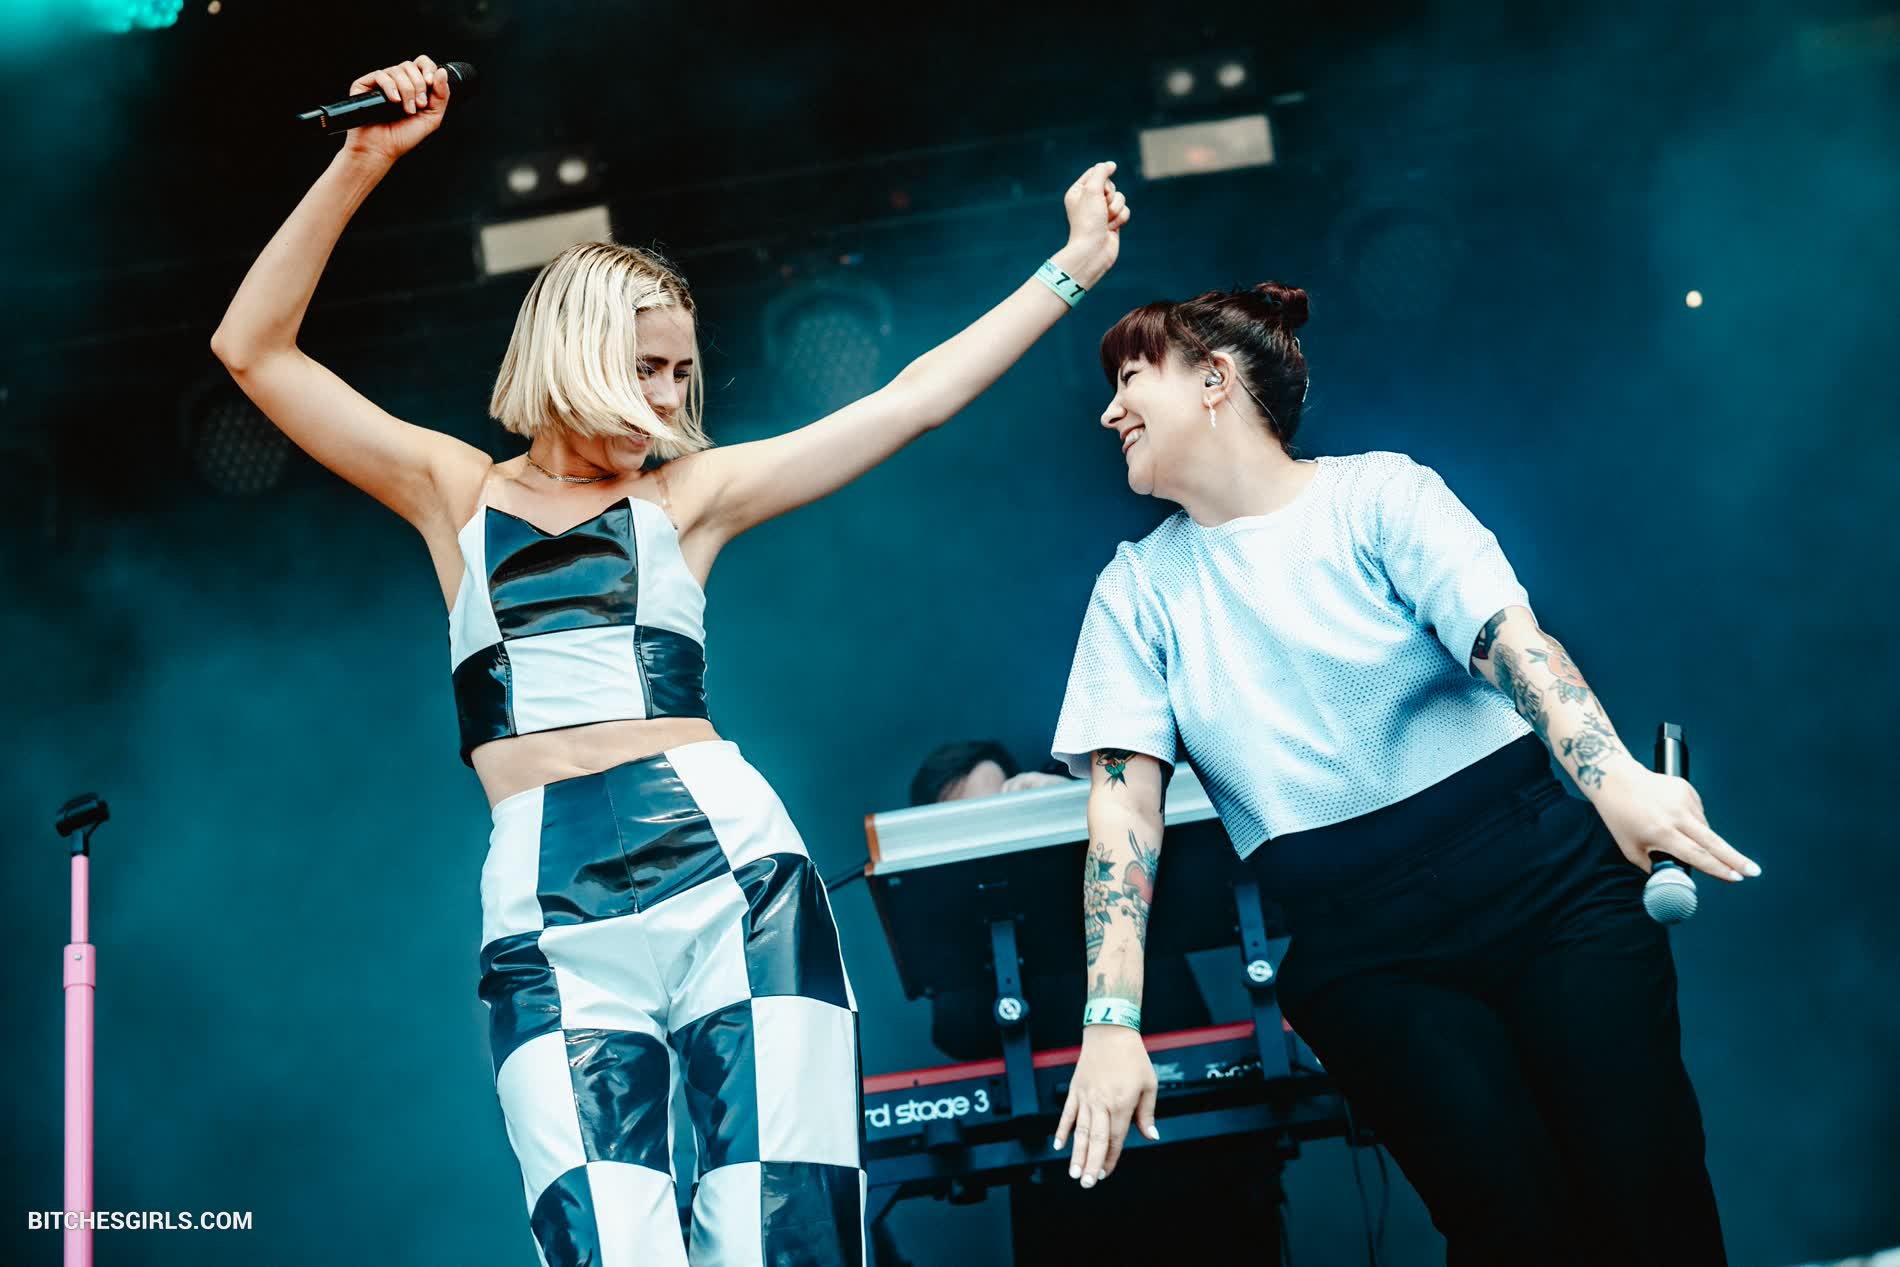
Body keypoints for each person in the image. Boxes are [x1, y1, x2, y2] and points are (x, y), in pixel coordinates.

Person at [209, 55, 1129, 1267]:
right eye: (644, 366)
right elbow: (252, 349)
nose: (666, 396)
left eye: (681, 371)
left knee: (785, 1223)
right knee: (602, 1235)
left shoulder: (689, 497)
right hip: (546, 900)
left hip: (726, 872)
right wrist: (363, 159)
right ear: (573, 354)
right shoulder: (454, 494)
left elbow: (910, 400)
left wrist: (1073, 267)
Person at [1046, 282, 1745, 1263]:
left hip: (1545, 883)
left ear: (1213, 380)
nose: (1110, 411)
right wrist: (1111, 1022)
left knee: (1647, 1194)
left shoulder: (1378, 495)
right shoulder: (1134, 592)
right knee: (1511, 1229)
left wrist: (1616, 778)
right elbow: (1124, 816)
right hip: (1362, 950)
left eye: (1130, 378)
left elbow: (1509, 642)